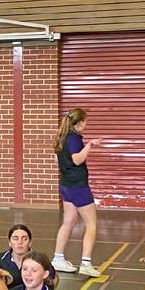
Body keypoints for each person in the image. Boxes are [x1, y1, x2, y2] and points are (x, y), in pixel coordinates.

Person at [51, 108, 103, 278]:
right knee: (91, 224)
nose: (86, 124)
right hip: (78, 186)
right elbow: (77, 159)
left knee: (69, 221)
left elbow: (56, 159)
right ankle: (86, 263)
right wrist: (90, 145)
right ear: (79, 123)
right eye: (85, 121)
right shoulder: (74, 138)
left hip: (66, 184)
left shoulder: (61, 137)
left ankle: (58, 258)